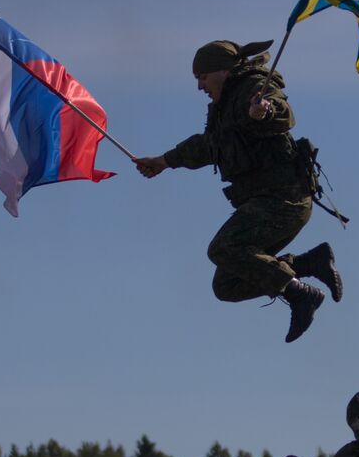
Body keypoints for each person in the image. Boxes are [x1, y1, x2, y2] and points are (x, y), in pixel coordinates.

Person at [134, 39, 341, 342]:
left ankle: (301, 294)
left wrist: (264, 113)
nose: (200, 86)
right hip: (265, 200)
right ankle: (309, 264)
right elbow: (208, 146)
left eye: (202, 77)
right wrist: (164, 161)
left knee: (223, 249)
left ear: (222, 71)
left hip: (284, 198)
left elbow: (282, 112)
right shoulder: (222, 109)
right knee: (227, 285)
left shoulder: (253, 88)